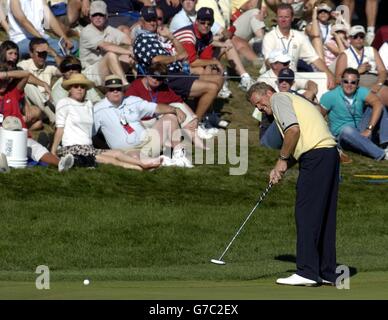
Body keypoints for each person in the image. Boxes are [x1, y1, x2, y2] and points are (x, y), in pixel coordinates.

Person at [247, 81, 340, 286]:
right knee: (323, 216)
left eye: (260, 103)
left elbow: (293, 131)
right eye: (257, 107)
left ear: (268, 93)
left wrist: (281, 159)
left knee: (306, 213)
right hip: (328, 155)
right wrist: (281, 168)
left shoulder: (279, 98)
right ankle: (327, 272)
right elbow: (300, 141)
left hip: (317, 157)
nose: (261, 109)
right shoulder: (294, 100)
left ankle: (307, 272)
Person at [51, 73, 162, 171]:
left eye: (82, 87)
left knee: (117, 153)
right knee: (113, 160)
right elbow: (60, 128)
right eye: (76, 86)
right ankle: (140, 168)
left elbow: (93, 131)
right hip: (72, 147)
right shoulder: (64, 102)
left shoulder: (88, 104)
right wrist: (53, 151)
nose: (79, 89)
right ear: (69, 89)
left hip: (88, 147)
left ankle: (143, 164)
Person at [133, 6, 222, 125]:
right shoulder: (142, 39)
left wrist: (171, 37)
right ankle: (197, 124)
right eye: (149, 20)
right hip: (165, 76)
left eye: (155, 19)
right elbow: (155, 60)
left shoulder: (160, 37)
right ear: (141, 22)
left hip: (178, 73)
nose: (153, 23)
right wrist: (175, 58)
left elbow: (184, 54)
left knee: (218, 79)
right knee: (212, 88)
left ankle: (206, 114)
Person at [93, 74, 194, 167]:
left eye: (118, 88)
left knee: (170, 117)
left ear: (123, 90)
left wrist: (175, 109)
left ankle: (179, 155)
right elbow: (89, 133)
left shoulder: (132, 100)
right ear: (105, 91)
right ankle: (162, 161)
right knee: (135, 157)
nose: (115, 91)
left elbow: (156, 108)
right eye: (111, 89)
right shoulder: (98, 109)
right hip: (128, 151)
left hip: (148, 140)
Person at [0, 64, 74, 172]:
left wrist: (5, 74)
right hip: (2, 137)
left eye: (5, 80)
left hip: (20, 137)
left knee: (36, 148)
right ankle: (3, 166)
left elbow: (26, 74)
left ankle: (61, 164)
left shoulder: (13, 92)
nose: (2, 83)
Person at [124, 62, 213, 145]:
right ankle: (168, 143)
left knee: (177, 107)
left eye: (159, 79)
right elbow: (127, 110)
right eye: (153, 77)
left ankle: (193, 132)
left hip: (157, 120)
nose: (155, 81)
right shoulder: (135, 87)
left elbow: (180, 102)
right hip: (141, 122)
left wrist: (194, 118)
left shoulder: (163, 88)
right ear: (147, 74)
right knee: (170, 113)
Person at [173, 7, 254, 92]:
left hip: (187, 60)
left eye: (209, 23)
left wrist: (224, 45)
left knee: (225, 47)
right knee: (203, 69)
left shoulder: (205, 32)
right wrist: (215, 61)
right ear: (196, 22)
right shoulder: (188, 35)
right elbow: (193, 62)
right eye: (203, 22)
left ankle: (244, 78)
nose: (206, 25)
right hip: (174, 64)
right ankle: (212, 88)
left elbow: (210, 42)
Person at [262, 3, 336, 89]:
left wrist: (329, 73)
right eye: (280, 17)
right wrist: (282, 71)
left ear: (292, 18)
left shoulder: (299, 36)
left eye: (286, 17)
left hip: (293, 77)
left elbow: (314, 58)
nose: (283, 20)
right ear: (277, 18)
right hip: (273, 76)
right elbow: (268, 61)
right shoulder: (269, 37)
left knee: (320, 81)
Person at [320, 67, 388, 160]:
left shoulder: (361, 91)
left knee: (380, 106)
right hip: (342, 136)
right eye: (346, 81)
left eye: (353, 82)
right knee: (347, 130)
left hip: (360, 129)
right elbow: (318, 117)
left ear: (357, 83)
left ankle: (385, 144)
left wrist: (369, 129)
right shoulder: (330, 96)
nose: (349, 85)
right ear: (341, 81)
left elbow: (377, 103)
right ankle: (381, 154)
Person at [79, 0, 135, 86]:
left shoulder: (108, 29)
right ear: (90, 17)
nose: (97, 17)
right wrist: (129, 51)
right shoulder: (87, 31)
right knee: (111, 55)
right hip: (91, 72)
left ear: (106, 16)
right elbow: (106, 46)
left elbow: (127, 40)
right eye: (94, 15)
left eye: (101, 15)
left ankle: (139, 80)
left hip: (107, 69)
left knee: (129, 56)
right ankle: (125, 85)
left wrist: (135, 48)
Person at [335, 25, 388, 109]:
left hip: (375, 82)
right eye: (355, 36)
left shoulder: (372, 50)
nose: (359, 39)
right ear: (350, 39)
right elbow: (338, 79)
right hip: (356, 85)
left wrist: (379, 84)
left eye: (361, 36)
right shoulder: (345, 55)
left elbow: (382, 71)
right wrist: (357, 71)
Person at [8, 0, 78, 61]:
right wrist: (41, 39)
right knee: (51, 50)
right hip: (22, 40)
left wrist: (64, 37)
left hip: (41, 37)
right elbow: (23, 21)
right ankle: (61, 60)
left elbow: (50, 19)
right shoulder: (15, 1)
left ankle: (57, 59)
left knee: (74, 44)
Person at [17, 38, 62, 124]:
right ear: (31, 53)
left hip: (50, 101)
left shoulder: (49, 66)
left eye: (44, 53)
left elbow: (66, 71)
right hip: (30, 105)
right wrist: (43, 84)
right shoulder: (23, 65)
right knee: (27, 84)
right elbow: (24, 77)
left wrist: (54, 54)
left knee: (65, 78)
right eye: (39, 53)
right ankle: (53, 117)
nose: (42, 56)